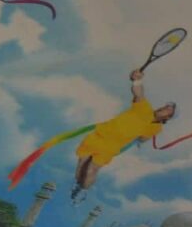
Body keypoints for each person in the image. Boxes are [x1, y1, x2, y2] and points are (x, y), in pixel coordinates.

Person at [72, 69, 177, 199]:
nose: (165, 108)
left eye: (169, 110)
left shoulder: (156, 129)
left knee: (91, 169)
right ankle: (77, 186)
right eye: (166, 106)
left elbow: (143, 139)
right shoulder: (144, 108)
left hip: (111, 146)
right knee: (81, 165)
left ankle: (82, 191)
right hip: (98, 135)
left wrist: (138, 139)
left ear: (168, 118)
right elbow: (139, 94)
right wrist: (137, 80)